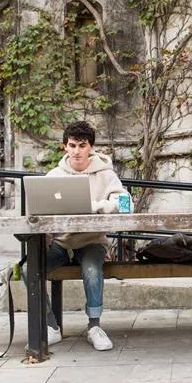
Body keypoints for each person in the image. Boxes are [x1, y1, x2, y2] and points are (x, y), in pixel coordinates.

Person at [41, 120, 128, 351]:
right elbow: (40, 208)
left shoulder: (106, 174)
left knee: (91, 271)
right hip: (60, 242)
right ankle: (51, 326)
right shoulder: (54, 175)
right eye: (72, 145)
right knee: (31, 269)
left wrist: (100, 206)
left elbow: (126, 203)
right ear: (64, 147)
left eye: (82, 145)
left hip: (91, 241)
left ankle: (94, 326)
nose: (76, 151)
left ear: (91, 147)